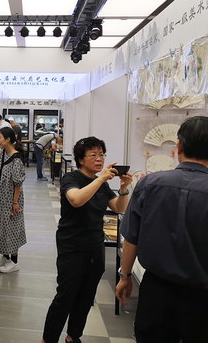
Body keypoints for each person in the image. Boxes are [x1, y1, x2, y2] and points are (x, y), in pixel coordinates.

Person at [116, 116, 208, 343]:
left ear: (179, 146)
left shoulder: (148, 185)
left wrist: (124, 276)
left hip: (154, 293)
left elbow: (132, 238)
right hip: (201, 301)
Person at [41, 136, 132, 343]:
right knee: (65, 296)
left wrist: (124, 189)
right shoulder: (71, 178)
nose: (99, 159)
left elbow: (119, 208)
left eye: (101, 154)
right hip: (72, 245)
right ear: (81, 160)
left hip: (95, 245)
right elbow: (76, 200)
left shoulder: (102, 184)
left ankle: (73, 336)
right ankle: (48, 339)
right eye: (93, 155)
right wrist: (100, 179)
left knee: (86, 296)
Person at [0, 127, 27, 274]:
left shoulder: (17, 158)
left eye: (0, 137)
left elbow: (17, 183)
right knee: (3, 227)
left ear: (8, 139)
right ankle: (5, 256)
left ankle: (14, 262)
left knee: (13, 228)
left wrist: (15, 203)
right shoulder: (3, 153)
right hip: (2, 198)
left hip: (12, 199)